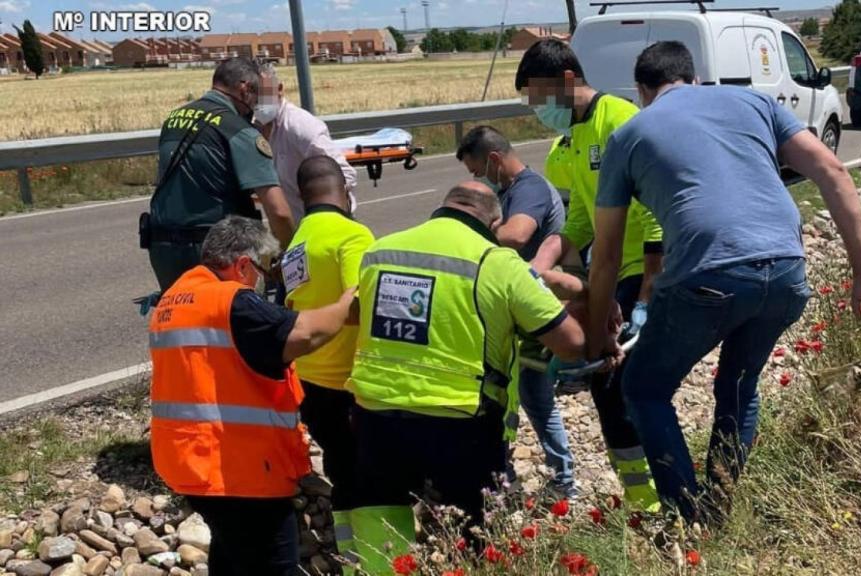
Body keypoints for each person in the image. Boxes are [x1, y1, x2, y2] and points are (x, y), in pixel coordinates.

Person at [587, 41, 861, 523]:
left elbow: (604, 256)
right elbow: (832, 170)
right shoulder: (754, 102)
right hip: (788, 269)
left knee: (644, 387)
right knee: (739, 384)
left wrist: (597, 327)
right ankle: (720, 502)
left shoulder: (630, 134)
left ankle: (691, 522)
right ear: (692, 77)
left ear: (643, 90)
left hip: (707, 274)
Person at [346, 182, 588, 575]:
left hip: (377, 411)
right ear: (495, 223)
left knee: (381, 511)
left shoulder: (380, 250)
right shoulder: (498, 262)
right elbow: (571, 343)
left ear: (443, 208)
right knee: (472, 527)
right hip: (460, 419)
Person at [148, 215, 356, 575]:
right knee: (272, 562)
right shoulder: (233, 302)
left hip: (191, 462)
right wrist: (346, 301)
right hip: (238, 470)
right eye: (259, 269)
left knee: (232, 556)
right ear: (242, 264)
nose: (260, 279)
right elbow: (303, 335)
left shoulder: (175, 298)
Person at [515, 38, 662, 510]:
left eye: (538, 98)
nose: (537, 110)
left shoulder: (618, 120)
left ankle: (659, 498)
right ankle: (643, 500)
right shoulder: (573, 140)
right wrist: (541, 262)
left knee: (624, 384)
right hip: (614, 269)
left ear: (566, 81)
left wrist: (645, 296)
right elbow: (579, 219)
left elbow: (656, 208)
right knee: (607, 383)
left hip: (648, 269)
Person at [456, 125, 578, 499]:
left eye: (478, 171)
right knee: (523, 394)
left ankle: (560, 479)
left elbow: (516, 235)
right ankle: (519, 473)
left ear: (494, 159)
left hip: (536, 311)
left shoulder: (529, 189)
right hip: (520, 309)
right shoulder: (512, 190)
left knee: (526, 395)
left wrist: (459, 237)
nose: (477, 179)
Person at [282, 155, 374, 567]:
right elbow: (360, 303)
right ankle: (374, 557)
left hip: (308, 379)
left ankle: (348, 549)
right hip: (348, 380)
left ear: (302, 196)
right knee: (370, 475)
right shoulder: (352, 236)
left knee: (339, 465)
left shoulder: (297, 243)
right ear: (345, 191)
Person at [144, 57, 294, 292]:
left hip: (163, 249)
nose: (255, 105)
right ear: (244, 89)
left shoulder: (173, 119)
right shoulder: (239, 131)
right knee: (232, 324)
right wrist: (288, 256)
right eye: (256, 96)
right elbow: (279, 212)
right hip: (216, 253)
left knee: (181, 323)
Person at [254, 62, 359, 220]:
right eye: (254, 94)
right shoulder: (252, 129)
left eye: (264, 94)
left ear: (279, 89)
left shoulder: (301, 126)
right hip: (292, 227)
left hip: (325, 224)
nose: (259, 101)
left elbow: (345, 174)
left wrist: (315, 196)